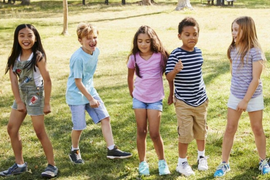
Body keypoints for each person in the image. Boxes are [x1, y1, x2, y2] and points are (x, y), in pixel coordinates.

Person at [66, 22, 132, 164]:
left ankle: (111, 149)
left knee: (105, 117)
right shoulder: (77, 58)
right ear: (80, 40)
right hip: (76, 95)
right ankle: (74, 150)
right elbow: (78, 82)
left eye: (94, 37)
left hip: (89, 90)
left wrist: (91, 95)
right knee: (79, 126)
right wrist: (90, 99)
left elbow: (87, 77)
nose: (92, 41)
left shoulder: (96, 51)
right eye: (88, 38)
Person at [214, 16, 270, 177]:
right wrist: (239, 98)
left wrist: (246, 100)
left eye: (237, 29)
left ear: (247, 30)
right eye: (232, 29)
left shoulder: (255, 52)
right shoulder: (232, 49)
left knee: (257, 128)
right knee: (230, 128)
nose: (233, 32)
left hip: (253, 96)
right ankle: (224, 163)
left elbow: (256, 79)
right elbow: (234, 73)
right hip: (235, 95)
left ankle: (263, 161)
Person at [0, 24, 58, 178]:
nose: (26, 39)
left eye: (29, 35)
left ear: (35, 38)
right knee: (11, 129)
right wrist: (18, 101)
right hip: (21, 95)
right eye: (22, 35)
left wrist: (47, 103)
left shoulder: (38, 56)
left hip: (35, 95)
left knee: (39, 131)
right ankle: (20, 165)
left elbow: (47, 80)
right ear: (17, 38)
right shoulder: (14, 57)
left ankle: (52, 165)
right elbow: (13, 82)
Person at [165, 17, 208, 177]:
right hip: (183, 102)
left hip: (201, 100)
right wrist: (175, 70)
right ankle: (181, 162)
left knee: (201, 130)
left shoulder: (199, 52)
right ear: (180, 36)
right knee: (185, 133)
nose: (191, 37)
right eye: (187, 34)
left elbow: (199, 74)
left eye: (194, 34)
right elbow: (168, 77)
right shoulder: (176, 54)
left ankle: (201, 156)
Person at [127, 25, 172, 176]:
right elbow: (130, 76)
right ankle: (142, 163)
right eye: (140, 41)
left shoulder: (160, 56)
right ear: (136, 42)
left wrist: (172, 93)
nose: (143, 44)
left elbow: (169, 76)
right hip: (139, 99)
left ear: (152, 41)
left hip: (155, 99)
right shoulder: (134, 57)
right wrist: (132, 92)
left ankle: (162, 162)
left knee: (154, 133)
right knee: (141, 131)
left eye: (147, 41)